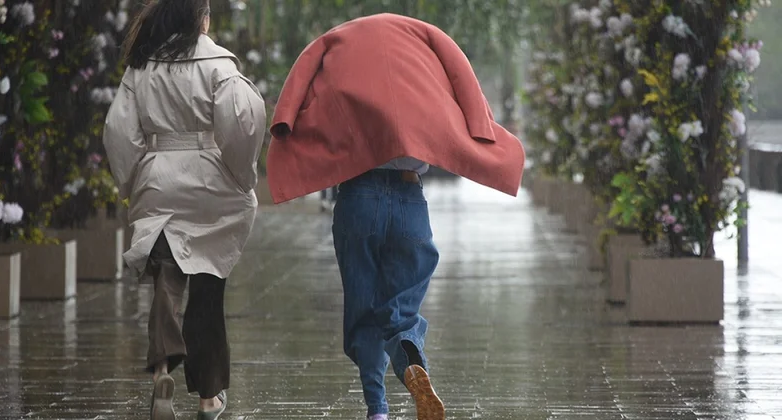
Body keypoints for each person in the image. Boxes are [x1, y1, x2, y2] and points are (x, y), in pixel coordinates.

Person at [266, 13, 525, 420]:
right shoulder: (426, 61)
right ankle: (408, 352)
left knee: (363, 307)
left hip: (358, 199)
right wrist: (482, 127)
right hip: (409, 200)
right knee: (401, 304)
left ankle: (377, 409)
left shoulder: (340, 58)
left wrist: (284, 131)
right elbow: (464, 87)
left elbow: (298, 97)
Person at [103, 1, 266, 419]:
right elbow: (242, 123)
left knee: (167, 276)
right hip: (210, 180)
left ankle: (162, 368)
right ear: (202, 20)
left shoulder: (141, 67)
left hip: (159, 178)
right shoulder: (218, 65)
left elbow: (119, 132)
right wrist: (240, 174)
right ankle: (209, 396)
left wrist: (133, 179)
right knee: (208, 284)